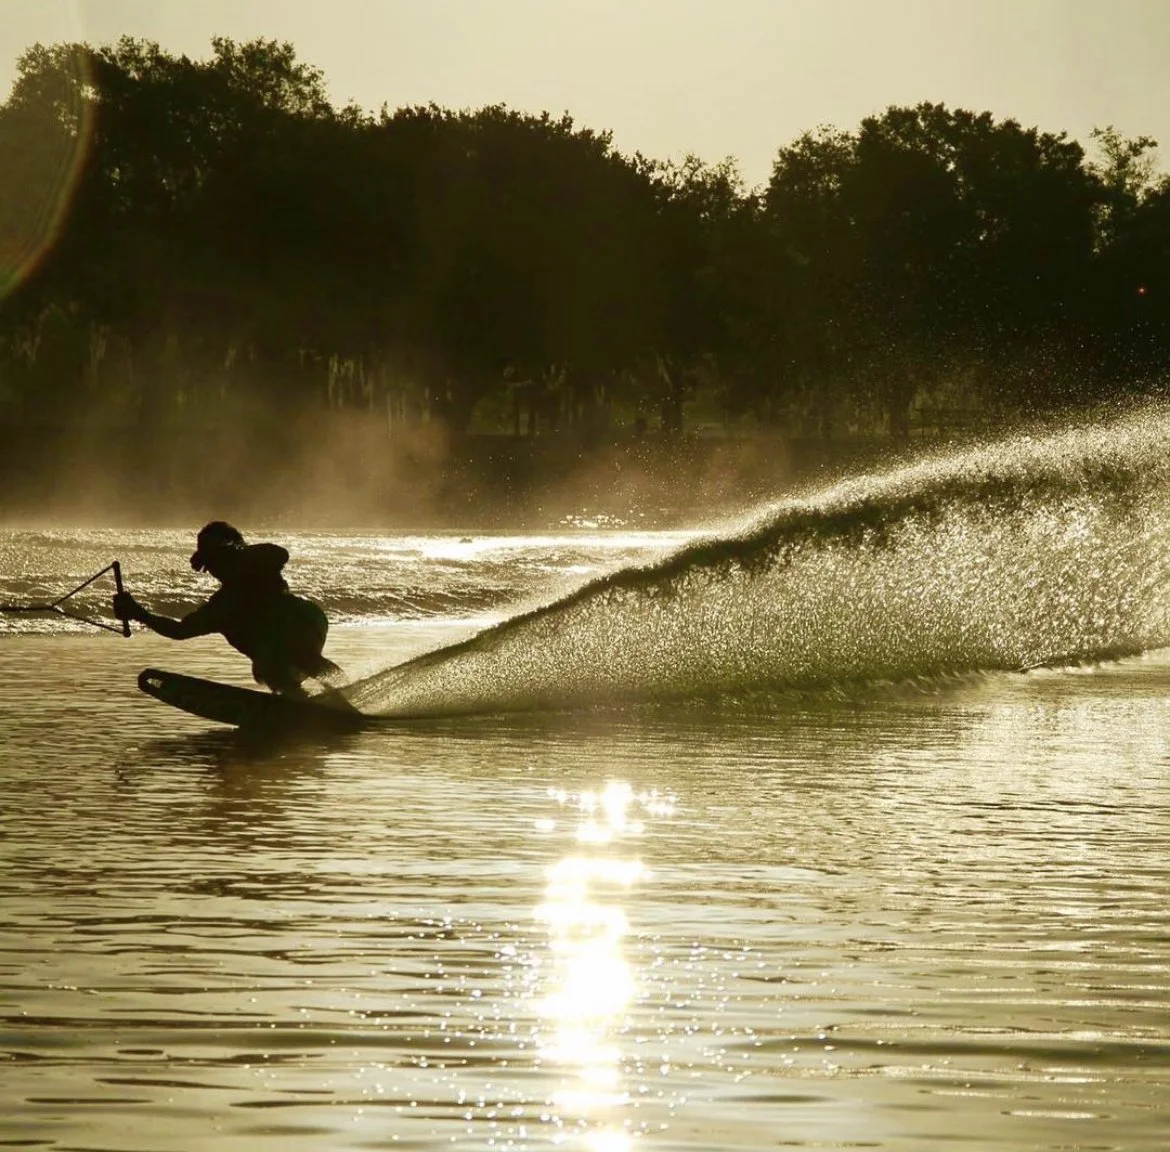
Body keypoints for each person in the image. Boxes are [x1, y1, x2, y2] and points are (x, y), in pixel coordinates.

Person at [114, 521, 341, 696]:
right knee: (265, 669)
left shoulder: (260, 565)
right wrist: (139, 614)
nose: (214, 569)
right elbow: (180, 630)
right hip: (278, 648)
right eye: (210, 563)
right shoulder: (222, 606)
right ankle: (300, 702)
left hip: (306, 621)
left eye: (216, 559)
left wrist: (232, 551)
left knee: (295, 656)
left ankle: (345, 688)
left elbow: (281, 553)